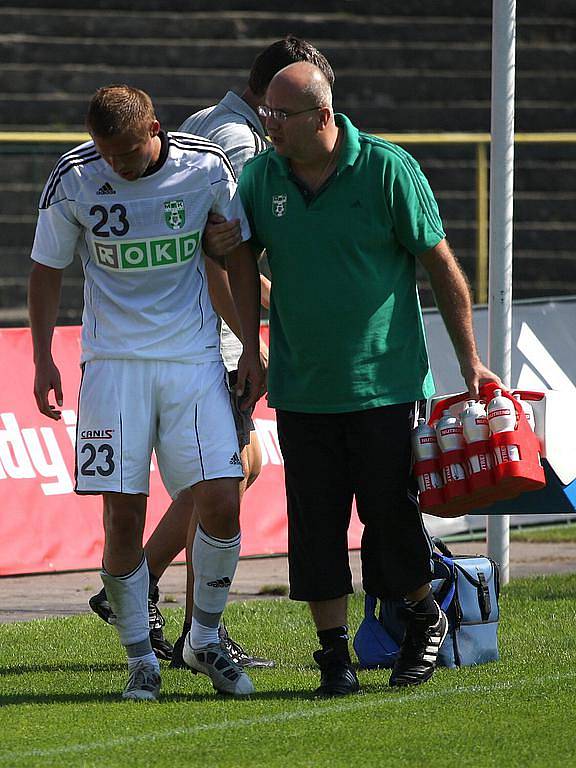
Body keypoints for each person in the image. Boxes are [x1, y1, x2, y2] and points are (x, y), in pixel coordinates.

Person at [217, 62, 503, 696]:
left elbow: (441, 266)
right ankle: (332, 656)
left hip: (387, 383)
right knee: (314, 523)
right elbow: (238, 259)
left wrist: (469, 359)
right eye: (266, 113)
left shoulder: (386, 168)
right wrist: (251, 350)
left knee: (390, 517)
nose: (269, 126)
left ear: (322, 116)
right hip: (302, 388)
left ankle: (425, 615)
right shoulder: (263, 177)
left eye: (281, 116)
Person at [87, 37, 335, 671]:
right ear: (270, 97)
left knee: (231, 475)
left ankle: (145, 593)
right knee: (220, 479)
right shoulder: (241, 141)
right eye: (287, 107)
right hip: (207, 337)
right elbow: (215, 247)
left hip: (201, 332)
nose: (286, 124)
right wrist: (280, 314)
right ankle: (186, 622)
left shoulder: (204, 123)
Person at [28, 85, 263, 701]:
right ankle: (140, 657)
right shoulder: (73, 176)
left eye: (128, 153)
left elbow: (235, 255)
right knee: (122, 514)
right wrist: (42, 359)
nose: (119, 166)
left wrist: (254, 348)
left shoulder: (206, 164)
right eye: (108, 154)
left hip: (191, 361)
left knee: (221, 498)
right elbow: (46, 269)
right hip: (112, 369)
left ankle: (204, 638)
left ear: (154, 128)